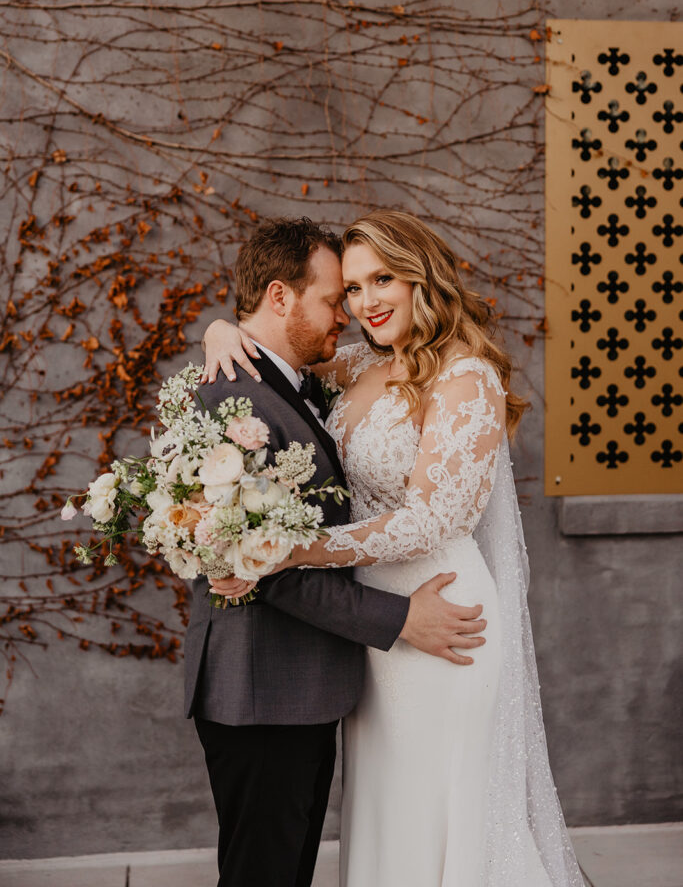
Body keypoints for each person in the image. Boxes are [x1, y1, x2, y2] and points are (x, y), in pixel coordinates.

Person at [204, 210, 584, 887]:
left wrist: (292, 548)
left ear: (421, 280)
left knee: (442, 810)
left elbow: (432, 520)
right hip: (376, 633)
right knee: (388, 812)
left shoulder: (465, 377)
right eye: (350, 289)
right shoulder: (361, 363)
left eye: (383, 279)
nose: (364, 302)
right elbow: (279, 355)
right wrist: (221, 329)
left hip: (441, 616)